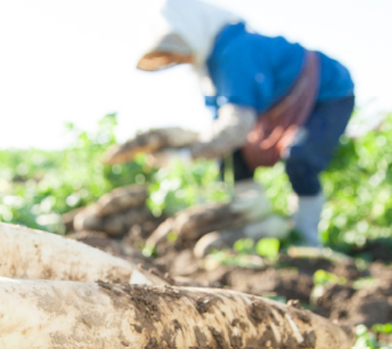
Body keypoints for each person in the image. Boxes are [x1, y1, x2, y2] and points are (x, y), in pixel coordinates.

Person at [136, 0, 355, 246]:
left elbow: (236, 126)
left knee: (300, 158)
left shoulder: (235, 51)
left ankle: (306, 241)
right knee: (230, 156)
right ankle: (256, 222)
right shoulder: (209, 70)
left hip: (328, 93)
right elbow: (221, 127)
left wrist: (187, 155)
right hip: (277, 106)